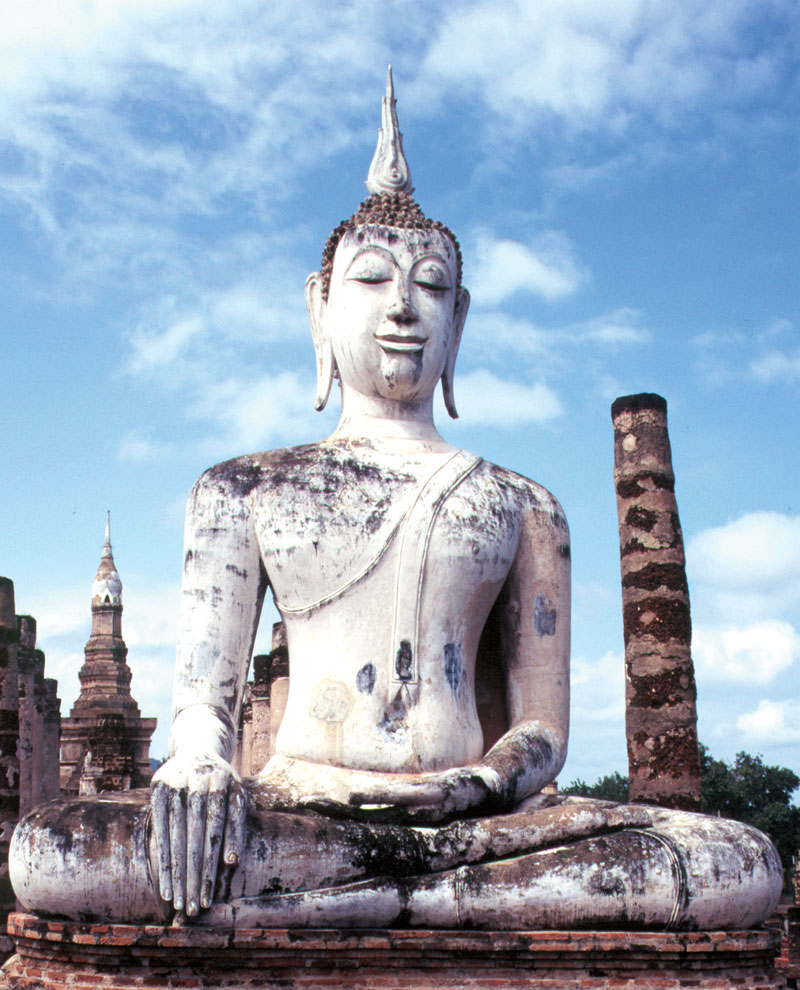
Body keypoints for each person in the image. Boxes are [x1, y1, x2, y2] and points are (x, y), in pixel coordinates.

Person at [10, 70, 782, 931]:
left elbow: (542, 731)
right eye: (373, 279)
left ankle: (374, 904)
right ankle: (417, 904)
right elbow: (204, 704)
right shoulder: (245, 489)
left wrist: (481, 783)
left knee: (733, 862)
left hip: (474, 825)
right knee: (52, 851)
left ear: (461, 319)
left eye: (431, 286)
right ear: (321, 308)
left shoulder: (522, 505)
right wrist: (198, 762)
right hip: (300, 813)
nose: (404, 308)